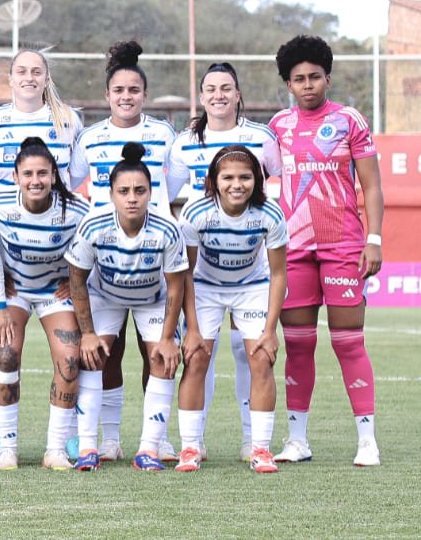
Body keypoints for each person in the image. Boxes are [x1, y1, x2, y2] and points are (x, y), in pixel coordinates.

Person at [269, 35, 383, 467]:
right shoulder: (278, 127)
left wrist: (373, 240)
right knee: (298, 344)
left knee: (348, 343)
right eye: (299, 79)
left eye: (315, 76)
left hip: (343, 246)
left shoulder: (350, 120)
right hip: (293, 249)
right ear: (289, 84)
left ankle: (367, 440)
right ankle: (297, 440)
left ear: (328, 78)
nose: (308, 84)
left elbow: (371, 185)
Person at [166, 61, 283, 462]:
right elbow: (165, 196)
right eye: (210, 88)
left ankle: (257, 443)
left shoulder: (261, 138)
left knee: (255, 355)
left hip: (252, 273)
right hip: (207, 280)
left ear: (238, 94)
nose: (218, 94)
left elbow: (277, 189)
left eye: (226, 87)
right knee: (198, 353)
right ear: (201, 96)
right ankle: (192, 444)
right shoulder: (185, 145)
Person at [69, 40, 178, 462]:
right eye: (119, 91)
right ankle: (109, 439)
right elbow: (76, 185)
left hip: (152, 258)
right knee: (104, 353)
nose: (127, 97)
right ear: (107, 96)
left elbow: (177, 182)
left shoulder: (163, 134)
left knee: (155, 352)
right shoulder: (91, 137)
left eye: (134, 90)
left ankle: (156, 439)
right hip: (105, 264)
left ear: (144, 95)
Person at [67, 142, 189, 472]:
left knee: (162, 361)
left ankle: (149, 449)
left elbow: (176, 285)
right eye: (124, 191)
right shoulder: (93, 225)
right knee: (94, 356)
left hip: (152, 299)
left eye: (139, 190)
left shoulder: (167, 228)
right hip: (106, 295)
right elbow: (77, 278)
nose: (132, 197)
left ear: (151, 192)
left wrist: (167, 339)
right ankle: (90, 447)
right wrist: (89, 333)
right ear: (111, 194)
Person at [176, 146, 288, 473]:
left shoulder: (270, 214)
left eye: (245, 177)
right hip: (205, 287)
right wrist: (193, 330)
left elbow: (279, 273)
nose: (236, 184)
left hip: (251, 287)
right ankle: (190, 448)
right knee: (196, 358)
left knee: (262, 359)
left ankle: (261, 449)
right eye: (228, 177)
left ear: (258, 180)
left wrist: (270, 331)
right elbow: (185, 271)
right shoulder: (197, 213)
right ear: (214, 181)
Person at [0, 136, 93, 470]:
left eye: (43, 174)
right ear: (16, 176)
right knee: (5, 356)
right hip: (14, 290)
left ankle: (55, 448)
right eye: (28, 174)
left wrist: (76, 278)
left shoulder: (76, 208)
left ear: (54, 176)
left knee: (69, 358)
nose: (36, 181)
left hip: (53, 291)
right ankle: (7, 447)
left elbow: (95, 248)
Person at [0, 48, 83, 189]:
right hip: (5, 211)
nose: (29, 78)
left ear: (46, 80)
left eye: (36, 72)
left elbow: (75, 174)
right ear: (10, 79)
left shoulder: (69, 119)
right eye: (21, 72)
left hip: (56, 211)